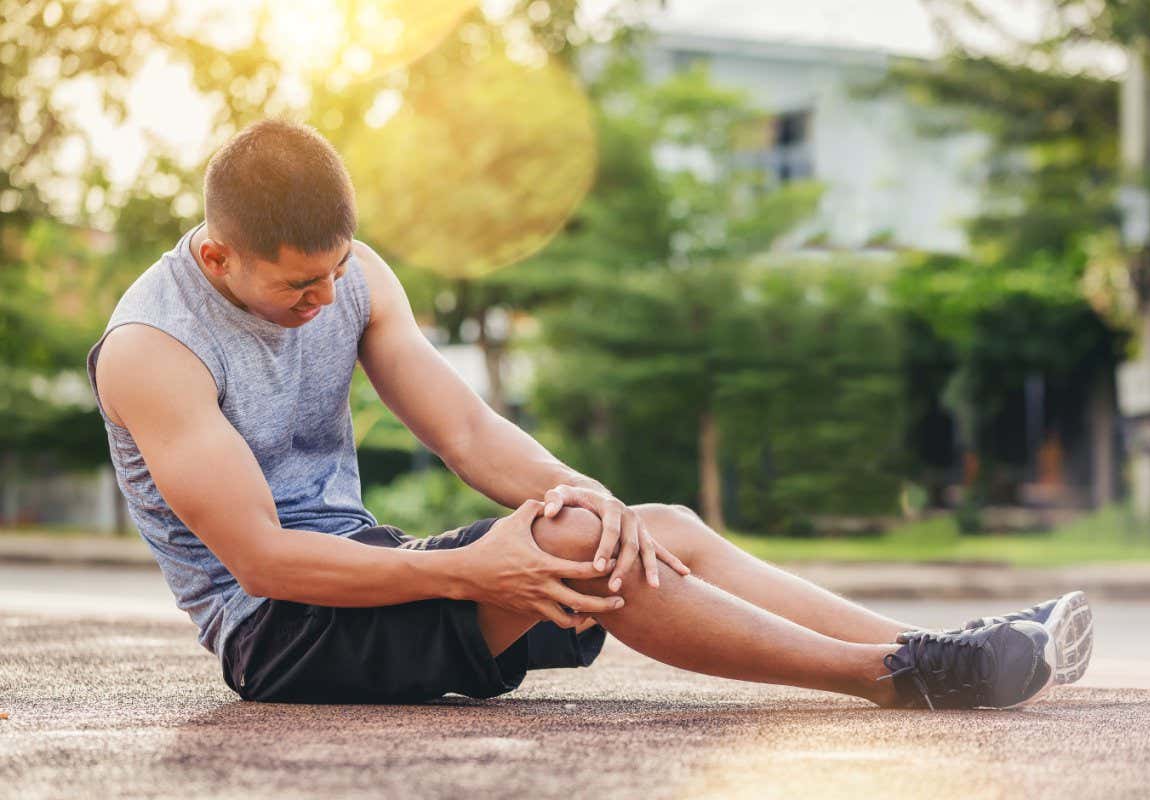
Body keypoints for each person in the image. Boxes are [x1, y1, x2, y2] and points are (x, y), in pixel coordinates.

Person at [86, 119, 1093, 711]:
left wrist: (596, 501)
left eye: (337, 271)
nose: (325, 299)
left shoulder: (354, 277)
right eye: (299, 284)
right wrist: (468, 566)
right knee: (577, 539)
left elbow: (469, 434)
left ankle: (936, 645)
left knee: (653, 526)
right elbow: (261, 560)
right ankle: (893, 677)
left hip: (374, 566)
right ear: (218, 256)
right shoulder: (152, 348)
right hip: (281, 632)